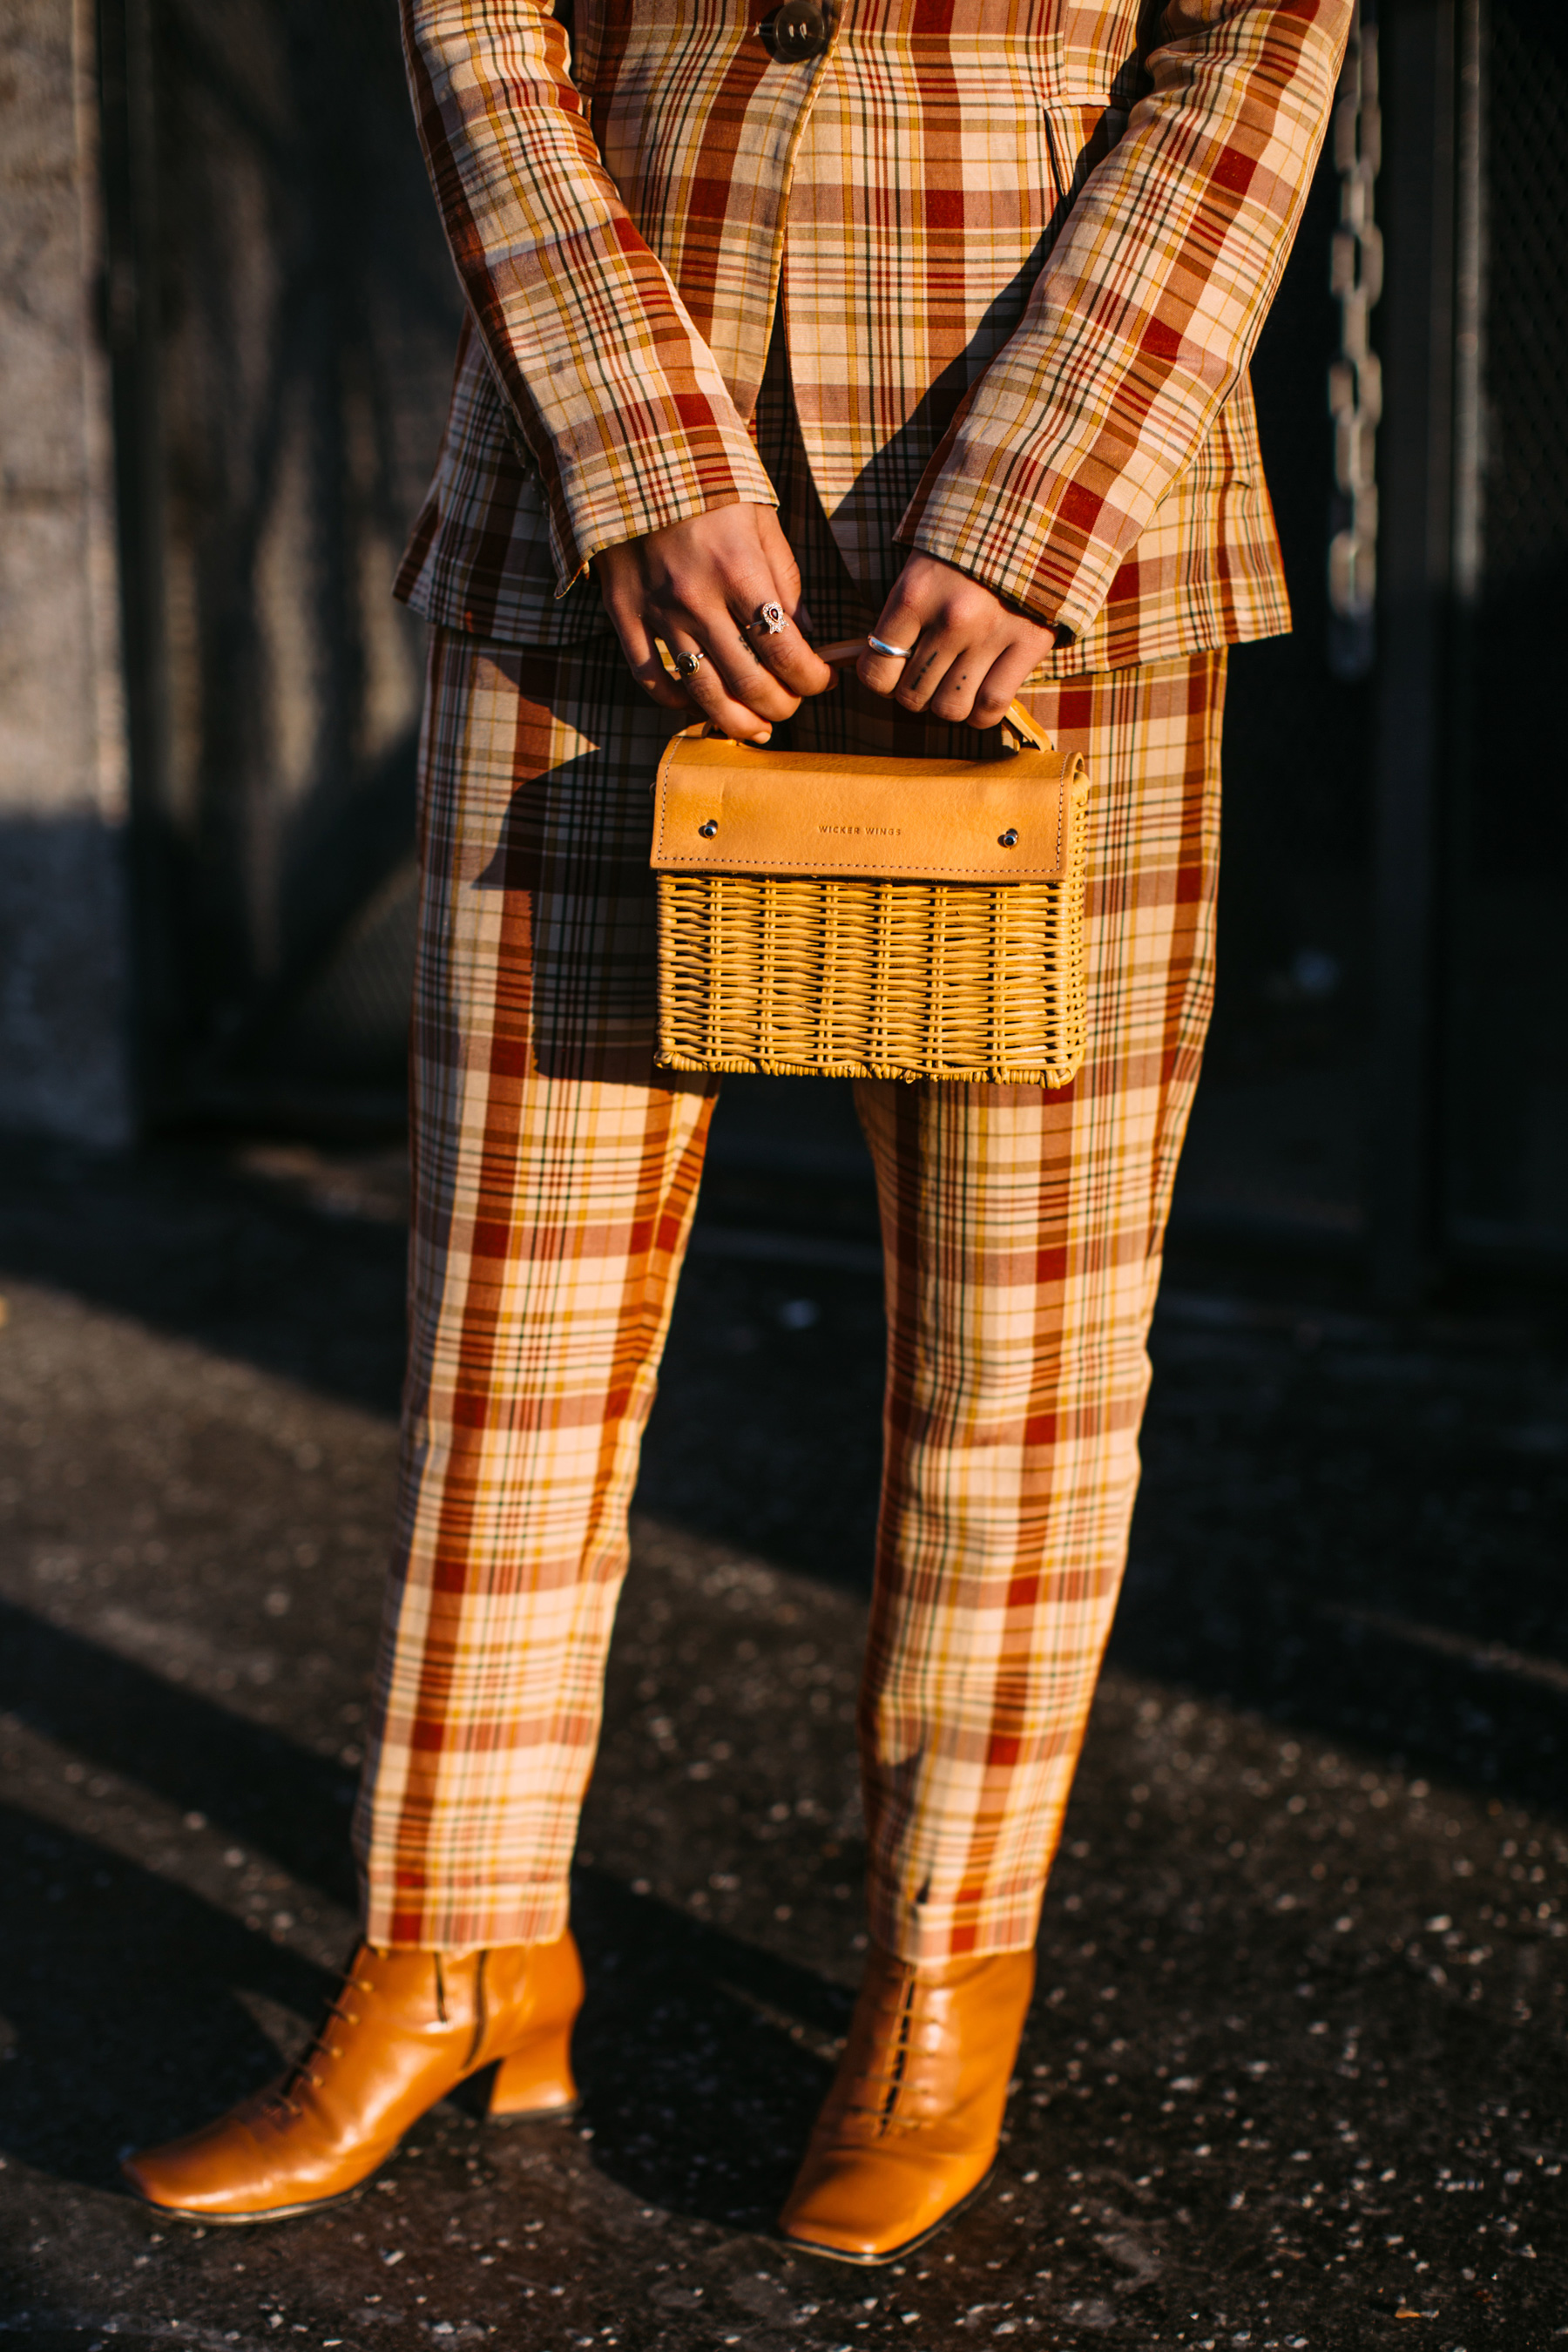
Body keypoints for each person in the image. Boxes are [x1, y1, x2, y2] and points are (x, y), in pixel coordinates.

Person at [126, 0, 1348, 2262]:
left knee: (1025, 1337)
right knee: (515, 1312)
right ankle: (460, 1938)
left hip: (1061, 506)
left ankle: (940, 1979)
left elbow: (1255, 57)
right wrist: (634, 441)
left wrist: (1030, 503)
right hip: (610, 505)